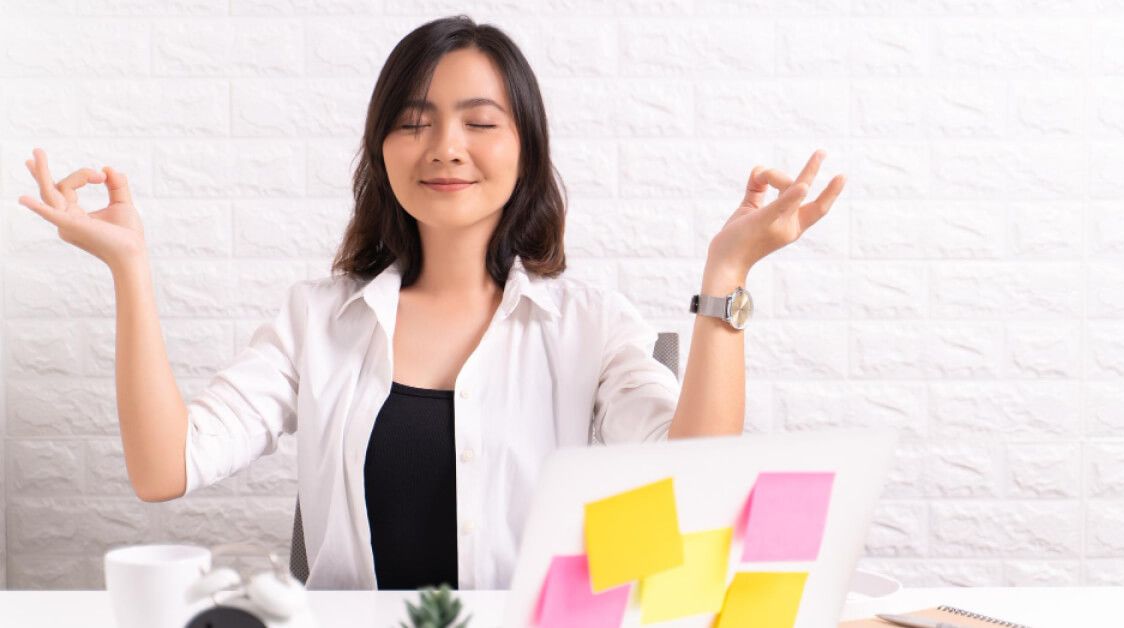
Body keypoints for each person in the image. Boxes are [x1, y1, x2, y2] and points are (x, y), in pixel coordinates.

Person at [16, 15, 845, 592]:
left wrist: (728, 270)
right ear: (383, 151)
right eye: (414, 123)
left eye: (478, 122)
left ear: (525, 150)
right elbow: (165, 469)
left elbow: (693, 477)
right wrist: (129, 267)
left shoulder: (589, 326)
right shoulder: (317, 321)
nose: (444, 146)